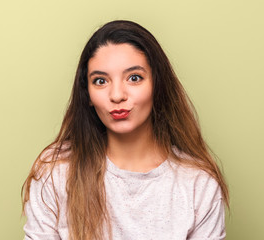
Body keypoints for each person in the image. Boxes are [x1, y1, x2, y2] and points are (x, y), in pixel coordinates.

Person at [22, 20, 229, 240]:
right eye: (100, 81)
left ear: (157, 85)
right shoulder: (56, 171)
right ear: (88, 95)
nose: (117, 95)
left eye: (134, 78)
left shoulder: (198, 183)